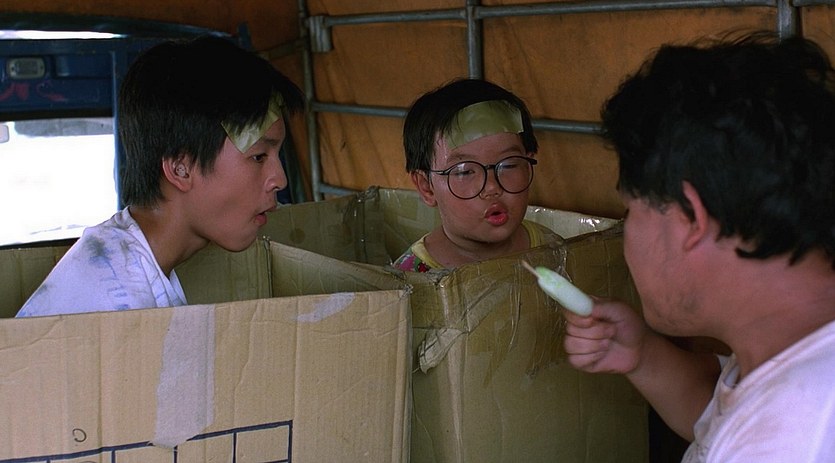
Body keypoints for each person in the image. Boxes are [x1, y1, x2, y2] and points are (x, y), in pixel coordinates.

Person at [562, 32, 835, 462]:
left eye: (631, 210)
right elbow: (720, 417)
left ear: (690, 217)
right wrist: (642, 355)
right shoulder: (787, 347)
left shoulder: (788, 439)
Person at [16, 36, 304, 317]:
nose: (279, 180)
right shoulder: (115, 308)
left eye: (277, 155)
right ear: (181, 169)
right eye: (258, 156)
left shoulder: (130, 267)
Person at [392, 78, 559, 272]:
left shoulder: (552, 248)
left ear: (528, 166)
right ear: (427, 187)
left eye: (509, 165)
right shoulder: (411, 277)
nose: (492, 187)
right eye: (465, 171)